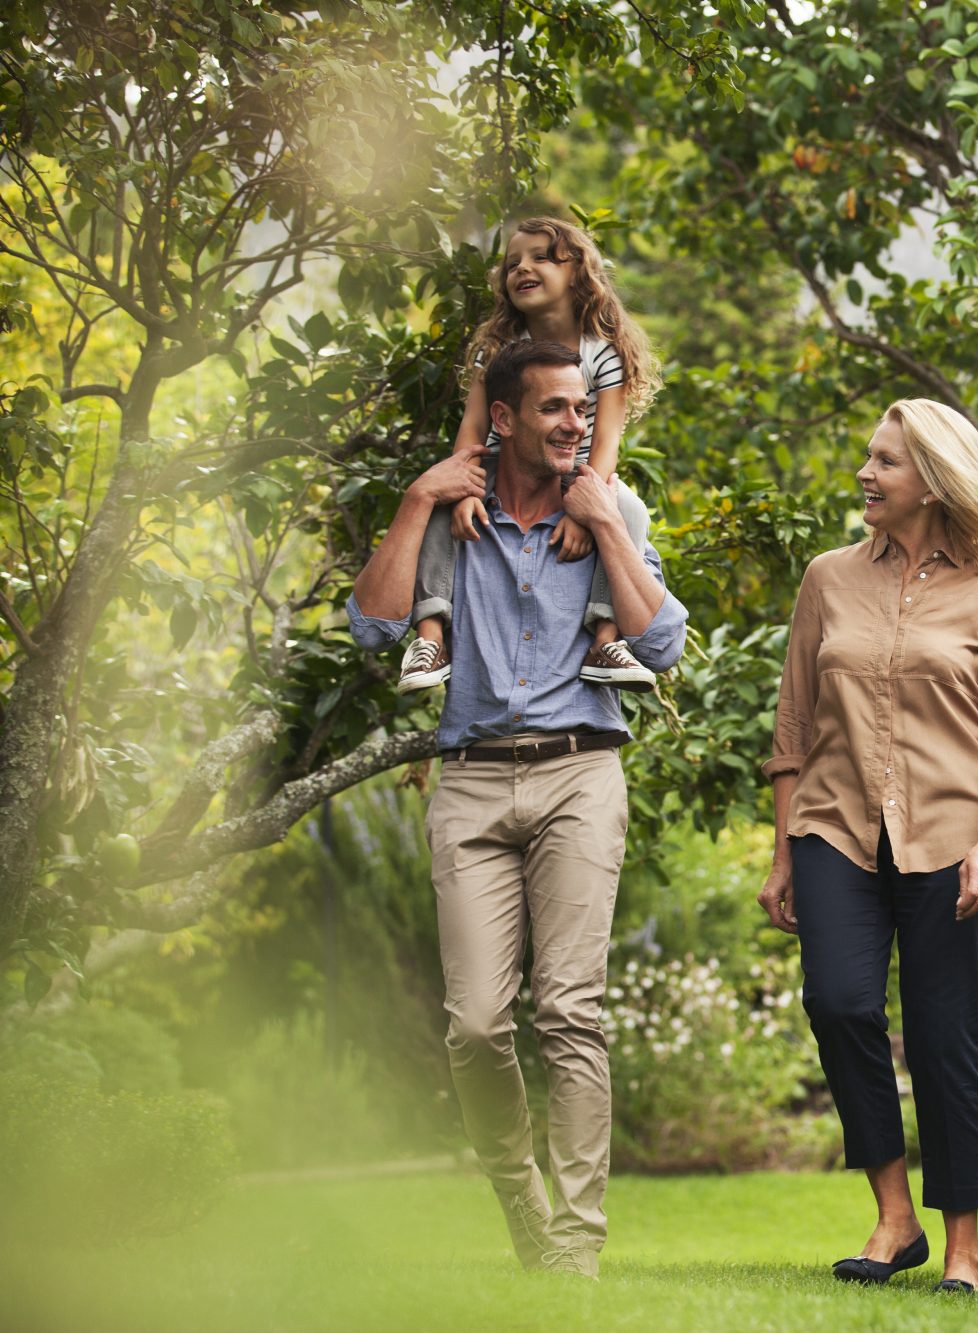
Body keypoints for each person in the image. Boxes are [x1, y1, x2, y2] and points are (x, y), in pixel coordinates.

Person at [345, 340, 688, 1278]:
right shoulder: (454, 516)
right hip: (472, 778)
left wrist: (608, 527)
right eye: (553, 410)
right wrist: (417, 497)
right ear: (502, 418)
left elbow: (661, 647)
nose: (575, 424)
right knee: (477, 1024)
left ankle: (575, 1241)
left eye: (583, 409)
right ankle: (524, 1203)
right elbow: (374, 624)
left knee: (570, 1010)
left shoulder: (608, 504)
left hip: (581, 770)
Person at [757, 398, 978, 1295]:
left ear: (933, 476)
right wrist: (781, 853)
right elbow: (794, 726)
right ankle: (894, 1214)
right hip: (835, 825)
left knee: (942, 1035)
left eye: (884, 462)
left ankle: (962, 1241)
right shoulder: (828, 577)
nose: (865, 475)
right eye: (868, 458)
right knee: (840, 1003)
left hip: (957, 836)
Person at [396, 216, 660, 696]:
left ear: (578, 271)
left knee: (629, 509)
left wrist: (585, 513)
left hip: (578, 475)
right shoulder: (497, 349)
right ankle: (430, 637)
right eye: (513, 262)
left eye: (540, 257)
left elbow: (605, 445)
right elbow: (472, 429)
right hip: (502, 471)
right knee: (433, 503)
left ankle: (606, 638)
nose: (522, 268)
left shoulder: (602, 352)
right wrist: (463, 490)